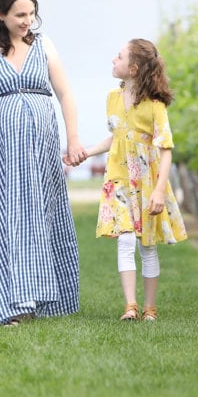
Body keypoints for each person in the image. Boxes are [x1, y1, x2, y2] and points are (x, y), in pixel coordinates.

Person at [0, 0, 85, 326]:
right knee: (1, 219)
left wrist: (73, 139)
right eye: (20, 14)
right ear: (1, 14)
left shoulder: (44, 46)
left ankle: (48, 300)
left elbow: (66, 95)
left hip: (42, 151)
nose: (28, 20)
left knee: (44, 216)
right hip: (1, 153)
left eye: (31, 13)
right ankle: (10, 305)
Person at [75, 39, 187, 321]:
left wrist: (159, 191)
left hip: (147, 184)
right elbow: (117, 137)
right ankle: (130, 306)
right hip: (119, 179)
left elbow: (165, 150)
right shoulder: (112, 98)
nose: (114, 59)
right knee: (124, 240)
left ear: (134, 68)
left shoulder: (154, 107)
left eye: (120, 56)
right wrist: (87, 152)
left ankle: (150, 307)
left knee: (146, 245)